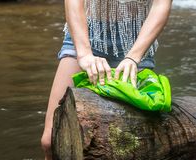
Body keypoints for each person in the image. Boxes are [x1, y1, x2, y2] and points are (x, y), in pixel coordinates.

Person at [40, 0, 172, 159]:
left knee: (133, 143)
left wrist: (133, 57)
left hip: (136, 43)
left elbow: (161, 5)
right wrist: (84, 54)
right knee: (50, 141)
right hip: (86, 35)